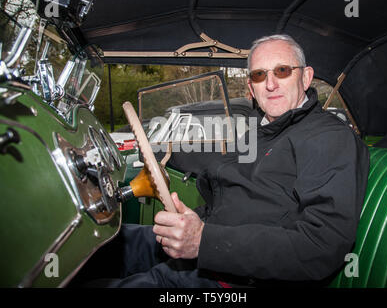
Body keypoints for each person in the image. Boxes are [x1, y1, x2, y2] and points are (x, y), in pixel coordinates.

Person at [71, 34, 370, 288]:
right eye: (259, 75)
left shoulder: (329, 138)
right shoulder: (257, 132)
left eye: (282, 71)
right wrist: (194, 221)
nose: (270, 84)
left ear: (305, 78)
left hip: (232, 279)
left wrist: (204, 241)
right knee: (95, 244)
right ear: (251, 89)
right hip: (207, 250)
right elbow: (229, 202)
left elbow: (321, 246)